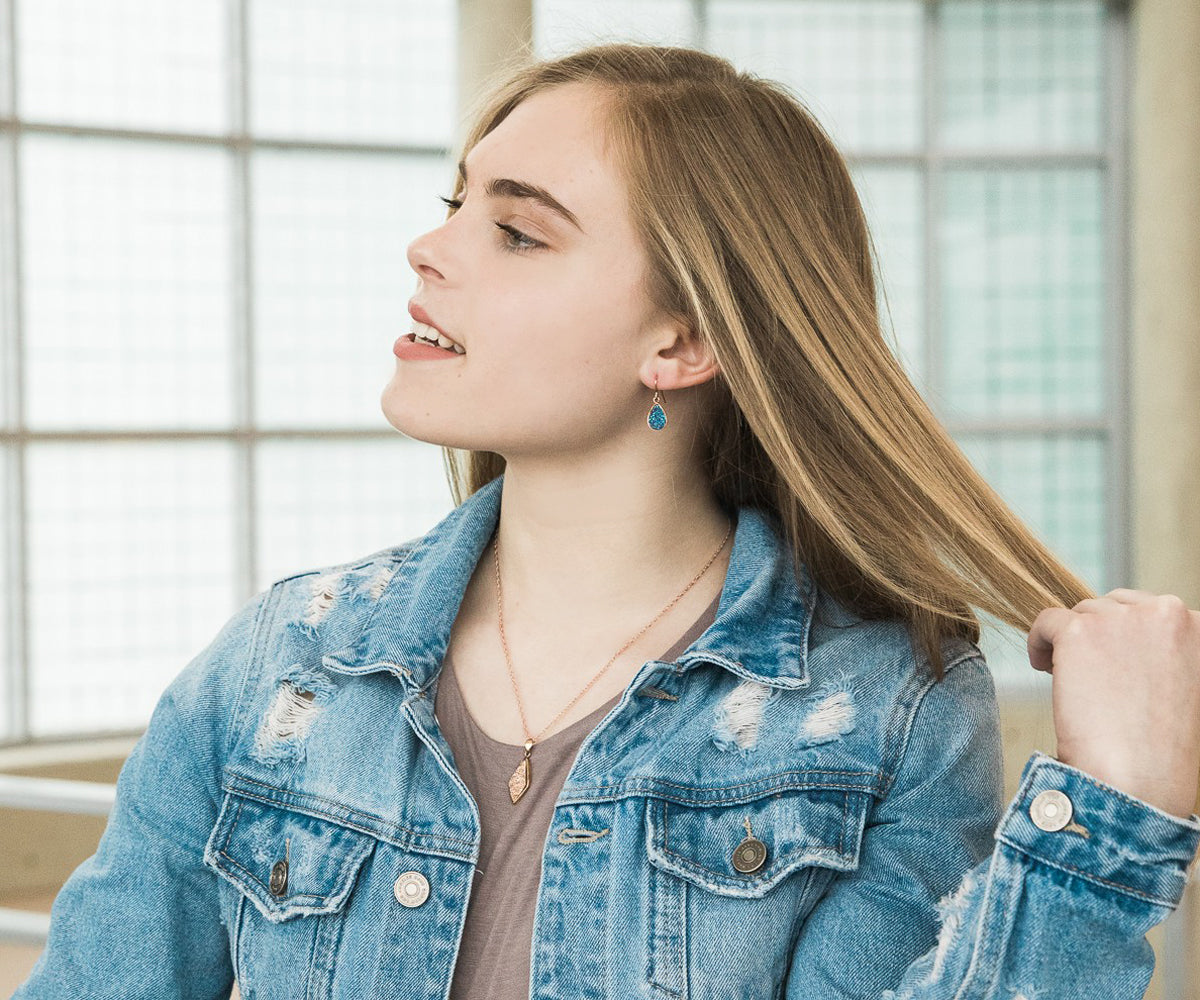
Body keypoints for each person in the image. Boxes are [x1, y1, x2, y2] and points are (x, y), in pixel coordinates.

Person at [15, 41, 1200, 1000]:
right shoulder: (276, 668)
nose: (428, 248)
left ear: (682, 342)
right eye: (455, 202)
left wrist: (1117, 810)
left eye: (517, 229)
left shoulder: (889, 710)